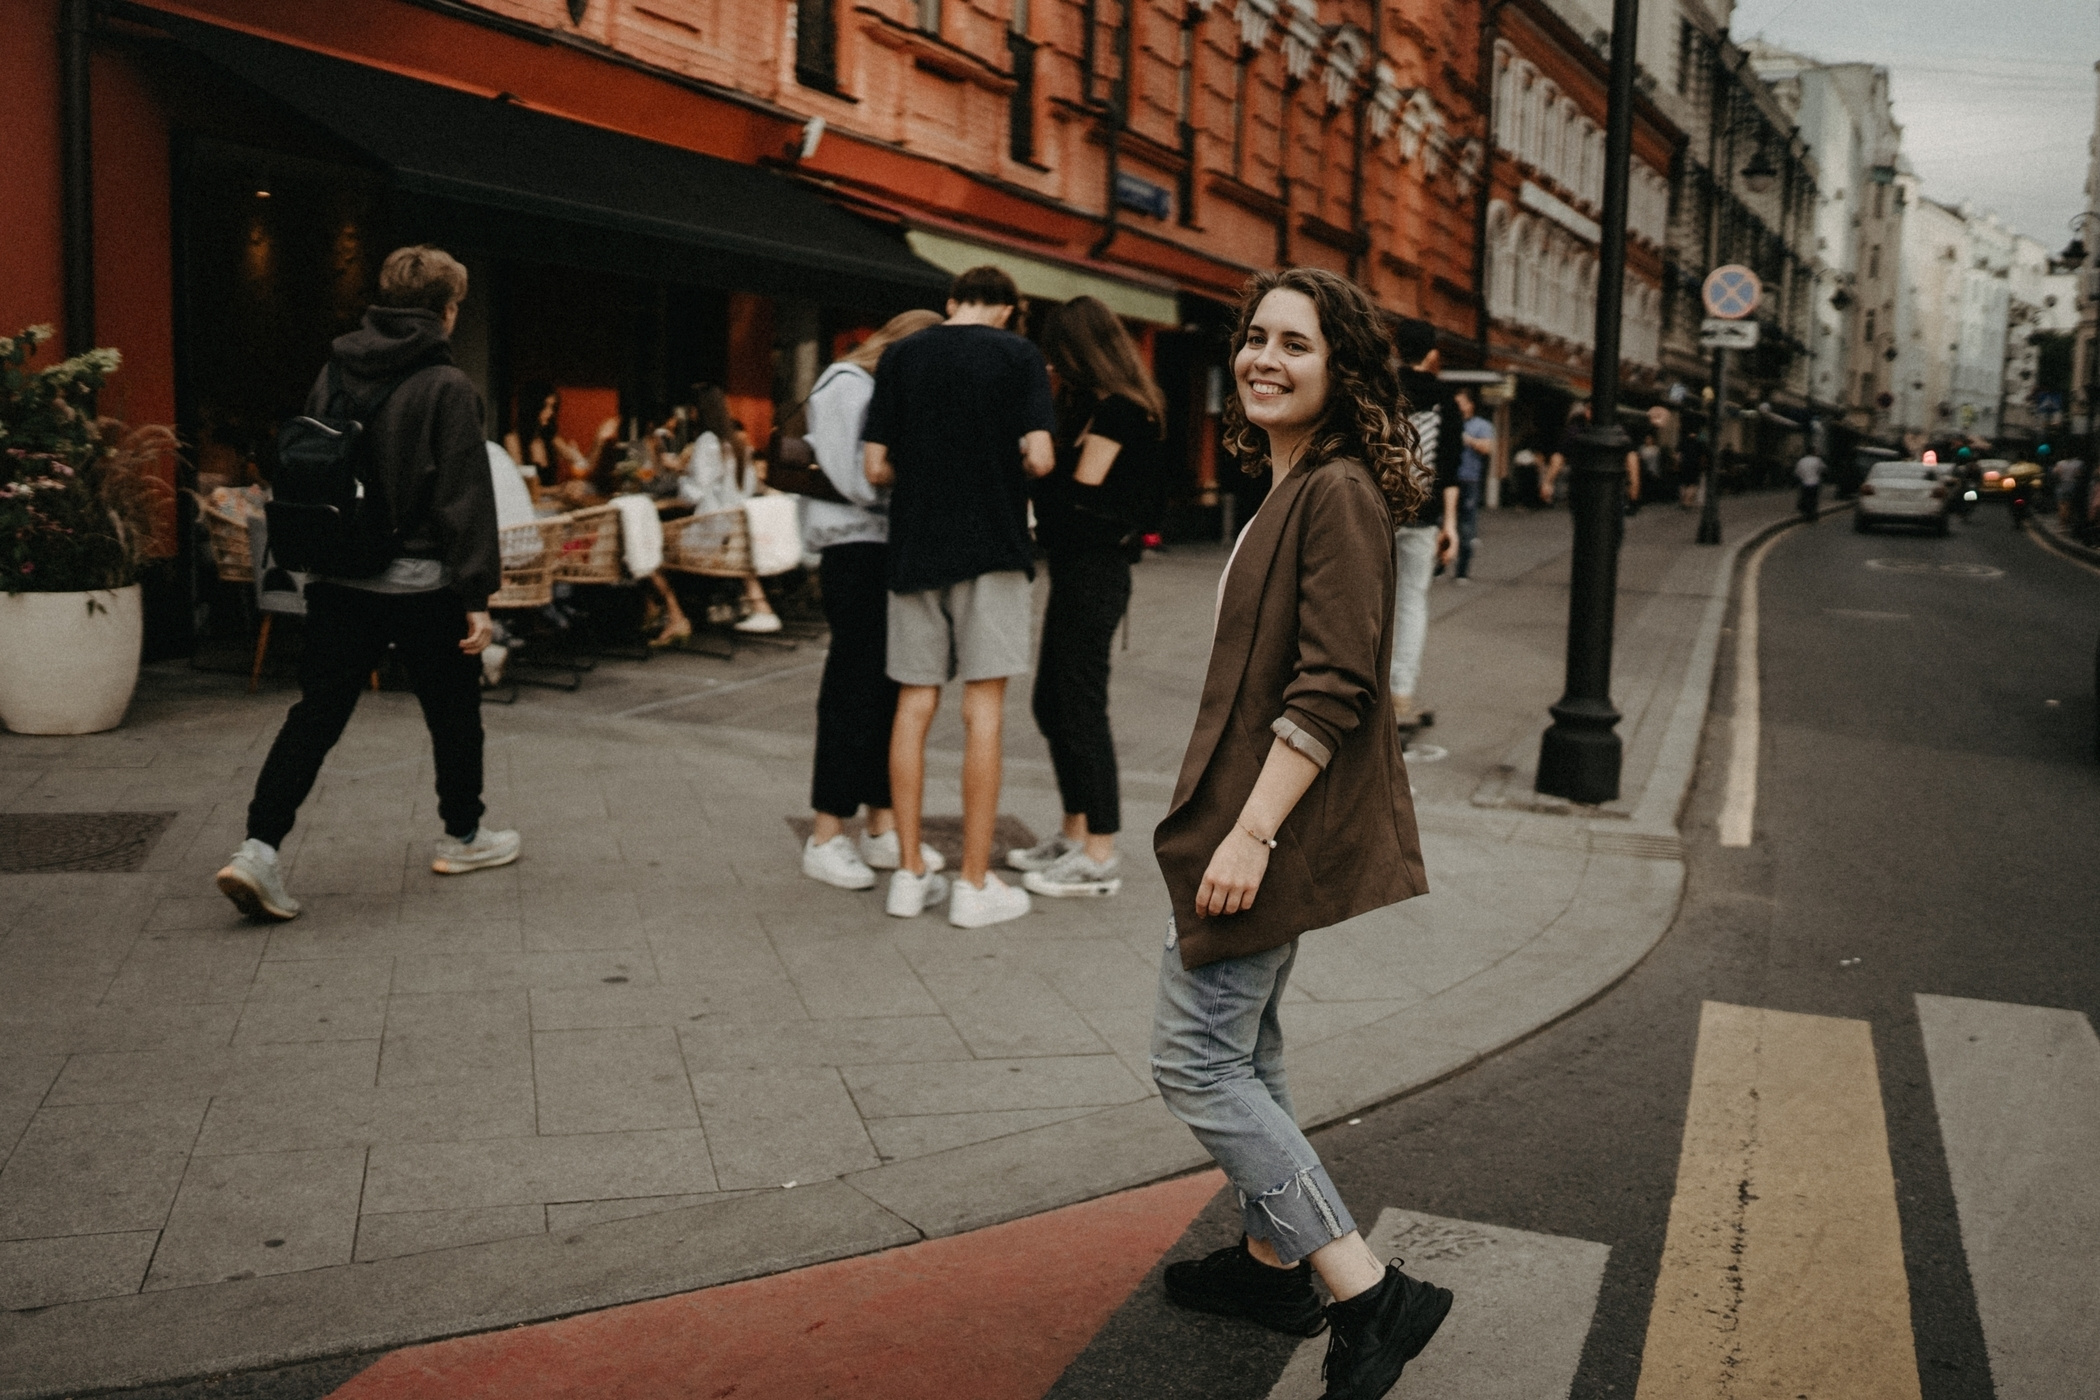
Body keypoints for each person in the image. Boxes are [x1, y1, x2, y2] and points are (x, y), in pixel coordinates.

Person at [1151, 267, 1451, 1398]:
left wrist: (1251, 834)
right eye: (1254, 337)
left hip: (1262, 827)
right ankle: (1275, 1261)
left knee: (1195, 1058)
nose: (1265, 359)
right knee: (1248, 1049)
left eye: (1296, 344)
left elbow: (1334, 688)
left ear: (1344, 372)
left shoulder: (1336, 493)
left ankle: (1368, 1291)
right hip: (1250, 817)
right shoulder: (1295, 479)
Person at [215, 245, 517, 922]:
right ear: (446, 309)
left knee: (316, 714)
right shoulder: (448, 388)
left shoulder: (334, 370)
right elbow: (465, 499)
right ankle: (464, 835)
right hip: (420, 583)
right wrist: (477, 598)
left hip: (336, 575)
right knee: (453, 712)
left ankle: (258, 847)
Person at [862, 266, 1057, 928]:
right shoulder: (1020, 355)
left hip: (915, 547)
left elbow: (874, 466)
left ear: (953, 302)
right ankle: (974, 885)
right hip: (993, 548)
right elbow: (1041, 458)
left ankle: (910, 873)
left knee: (913, 705)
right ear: (1007, 308)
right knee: (985, 711)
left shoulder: (901, 354)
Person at [1007, 296, 1167, 899]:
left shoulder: (1123, 413)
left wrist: (1036, 471)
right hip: (1081, 570)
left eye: (1060, 355)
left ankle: (1099, 852)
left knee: (1078, 706)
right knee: (1053, 703)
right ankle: (1073, 834)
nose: (1054, 367)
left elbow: (1078, 496)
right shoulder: (1105, 409)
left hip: (1095, 573)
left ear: (1082, 350)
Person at [797, 308, 948, 890]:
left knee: (892, 686)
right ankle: (827, 831)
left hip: (891, 547)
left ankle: (882, 826)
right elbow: (858, 476)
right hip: (855, 548)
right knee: (853, 686)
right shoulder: (845, 385)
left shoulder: (879, 388)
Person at [1385, 318, 1460, 738]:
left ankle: (1362, 690)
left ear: (1396, 348)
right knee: (1412, 602)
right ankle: (1401, 694)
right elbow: (1449, 470)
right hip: (1423, 516)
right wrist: (1451, 526)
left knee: (1369, 600)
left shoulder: (1380, 389)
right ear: (1432, 353)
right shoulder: (1445, 400)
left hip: (1376, 511)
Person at [1453, 387, 1493, 579]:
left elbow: (1486, 448)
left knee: (1467, 525)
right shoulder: (1451, 422)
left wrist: (1468, 440)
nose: (1458, 407)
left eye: (1460, 403)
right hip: (1451, 479)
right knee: (1442, 522)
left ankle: (1462, 571)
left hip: (1469, 479)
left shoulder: (1481, 425)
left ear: (1470, 405)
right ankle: (1440, 564)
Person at [1543, 400, 1590, 506]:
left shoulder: (1573, 431)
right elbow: (1559, 456)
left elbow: (1559, 456)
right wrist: (1548, 482)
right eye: (1588, 409)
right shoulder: (1574, 431)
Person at [1678, 431, 1708, 510]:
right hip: (1694, 466)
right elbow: (1702, 457)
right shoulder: (1699, 444)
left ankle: (1683, 501)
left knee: (1684, 484)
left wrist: (1680, 464)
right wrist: (1702, 466)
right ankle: (1688, 502)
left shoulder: (1683, 442)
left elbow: (1679, 455)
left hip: (1684, 466)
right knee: (1692, 485)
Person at [1795, 447, 1825, 522]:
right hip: (1815, 482)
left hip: (1804, 482)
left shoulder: (1801, 461)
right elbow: (1823, 469)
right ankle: (1813, 514)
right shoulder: (1817, 460)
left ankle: (1806, 513)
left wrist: (1803, 477)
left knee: (1805, 498)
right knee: (1813, 499)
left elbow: (1797, 472)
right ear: (1813, 452)